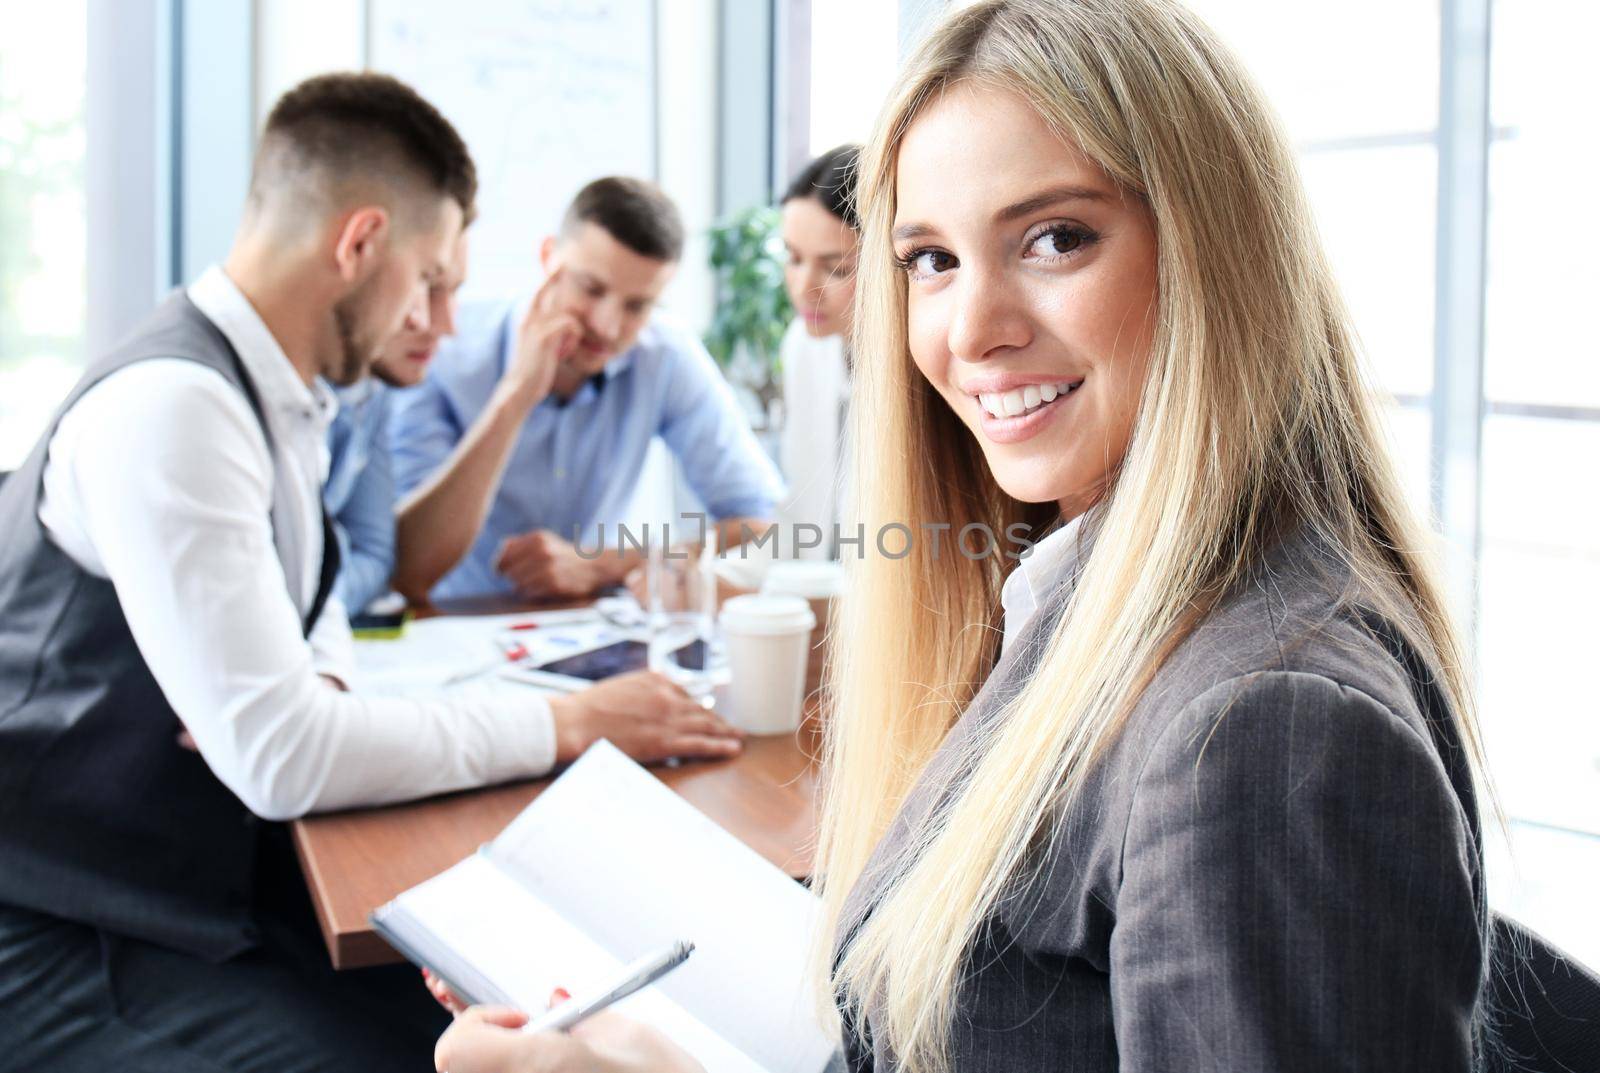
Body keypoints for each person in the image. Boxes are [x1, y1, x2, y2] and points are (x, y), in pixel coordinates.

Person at [428, 0, 1501, 1069]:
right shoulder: (1079, 591)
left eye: (1056, 237)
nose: (970, 329)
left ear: (1217, 252)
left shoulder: (1264, 733)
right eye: (929, 260)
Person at [0, 73, 739, 1072]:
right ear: (359, 244)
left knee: (485, 1009)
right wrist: (571, 719)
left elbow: (320, 610)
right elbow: (284, 758)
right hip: (70, 918)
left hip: (193, 875)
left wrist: (322, 690)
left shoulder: (282, 397)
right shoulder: (176, 407)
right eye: (430, 278)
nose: (438, 317)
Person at [388, 177, 784, 604]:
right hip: (453, 622)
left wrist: (603, 565)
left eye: (637, 306)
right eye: (591, 289)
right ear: (548, 259)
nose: (607, 326)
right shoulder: (441, 354)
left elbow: (760, 527)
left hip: (588, 623)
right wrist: (517, 394)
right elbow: (407, 566)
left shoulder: (664, 356)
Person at [324, 223, 469, 613]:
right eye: (426, 284)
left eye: (455, 291)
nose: (442, 324)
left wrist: (315, 606)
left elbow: (375, 556)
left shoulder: (374, 390)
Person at [777, 144, 860, 558]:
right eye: (793, 258)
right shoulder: (804, 346)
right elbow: (801, 510)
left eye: (836, 267)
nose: (803, 287)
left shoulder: (932, 364)